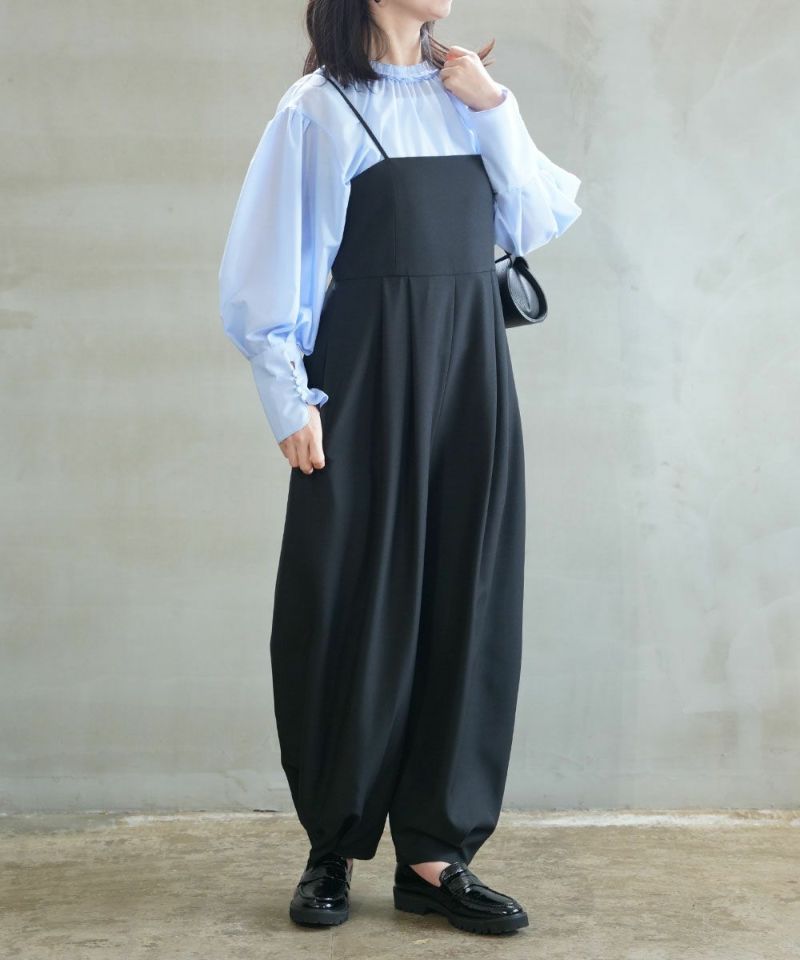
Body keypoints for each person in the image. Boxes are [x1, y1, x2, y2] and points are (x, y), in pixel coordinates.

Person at [218, 0, 582, 936]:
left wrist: (494, 107)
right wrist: (288, 393)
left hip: (470, 375)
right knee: (347, 597)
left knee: (469, 594)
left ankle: (435, 853)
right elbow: (273, 255)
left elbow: (536, 218)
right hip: (367, 373)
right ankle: (333, 843)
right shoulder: (319, 106)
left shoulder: (470, 92)